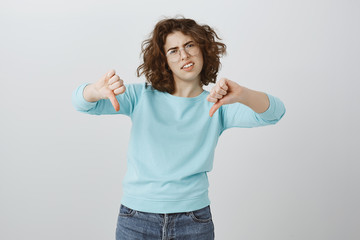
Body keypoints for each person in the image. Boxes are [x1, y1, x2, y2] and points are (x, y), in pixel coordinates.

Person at [72, 16, 286, 240]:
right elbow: (82, 104)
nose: (184, 55)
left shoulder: (217, 105)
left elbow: (274, 114)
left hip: (193, 221)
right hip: (136, 219)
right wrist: (94, 91)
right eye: (173, 50)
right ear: (163, 60)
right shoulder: (140, 96)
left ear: (203, 49)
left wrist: (243, 94)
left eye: (189, 45)